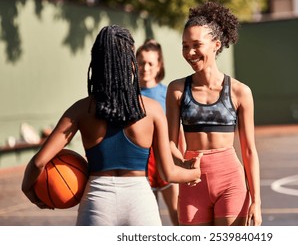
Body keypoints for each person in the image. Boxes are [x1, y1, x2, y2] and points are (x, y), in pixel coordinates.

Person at [21, 24, 201, 226]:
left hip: (97, 201)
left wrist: (29, 190)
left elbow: (38, 163)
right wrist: (195, 173)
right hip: (140, 202)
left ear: (97, 62)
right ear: (131, 63)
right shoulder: (152, 110)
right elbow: (169, 173)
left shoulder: (80, 110)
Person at [166, 1, 262, 226]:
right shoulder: (177, 90)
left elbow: (249, 150)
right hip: (191, 181)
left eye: (196, 45)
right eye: (184, 46)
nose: (189, 52)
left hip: (231, 182)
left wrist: (256, 201)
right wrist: (183, 163)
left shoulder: (240, 92)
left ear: (216, 45)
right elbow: (170, 142)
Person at [136, 39, 180, 226]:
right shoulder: (128, 94)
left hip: (165, 159)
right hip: (140, 163)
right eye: (141, 62)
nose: (145, 68)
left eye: (150, 63)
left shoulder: (167, 93)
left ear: (159, 65)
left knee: (178, 215)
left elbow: (178, 132)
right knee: (149, 221)